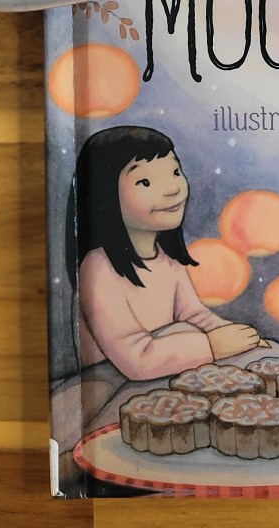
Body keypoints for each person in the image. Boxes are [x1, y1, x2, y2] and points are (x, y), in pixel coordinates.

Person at [66, 125, 267, 381]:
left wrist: (238, 336)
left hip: (166, 376)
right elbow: (136, 360)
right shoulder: (98, 269)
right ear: (103, 195)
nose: (173, 189)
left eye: (175, 172)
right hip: (114, 384)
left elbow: (195, 316)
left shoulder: (169, 262)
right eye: (145, 182)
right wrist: (211, 345)